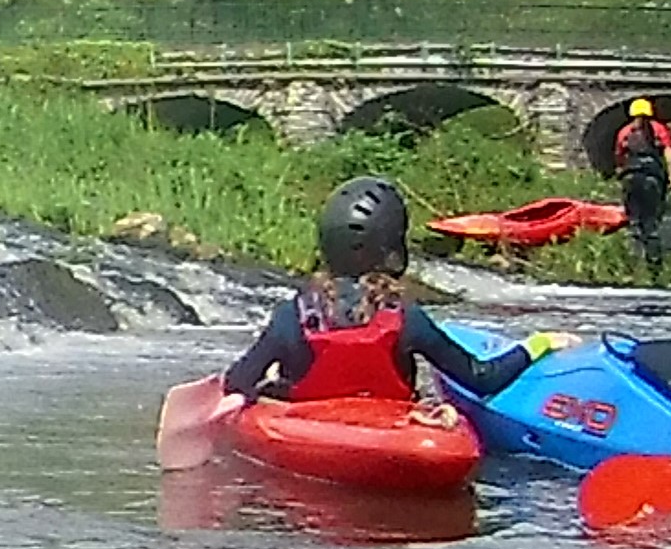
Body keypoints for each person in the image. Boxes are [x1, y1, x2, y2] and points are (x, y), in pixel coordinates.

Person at [212, 176, 547, 420]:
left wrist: (268, 392)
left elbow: (237, 382)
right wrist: (536, 345)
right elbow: (481, 378)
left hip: (306, 428)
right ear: (392, 248)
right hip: (394, 429)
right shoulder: (407, 317)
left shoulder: (292, 314)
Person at [613, 97, 671, 267]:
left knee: (633, 221)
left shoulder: (625, 131)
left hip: (630, 178)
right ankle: (654, 265)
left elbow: (619, 157)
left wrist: (621, 172)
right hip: (652, 177)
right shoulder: (658, 129)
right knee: (651, 222)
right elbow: (669, 152)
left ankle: (632, 264)